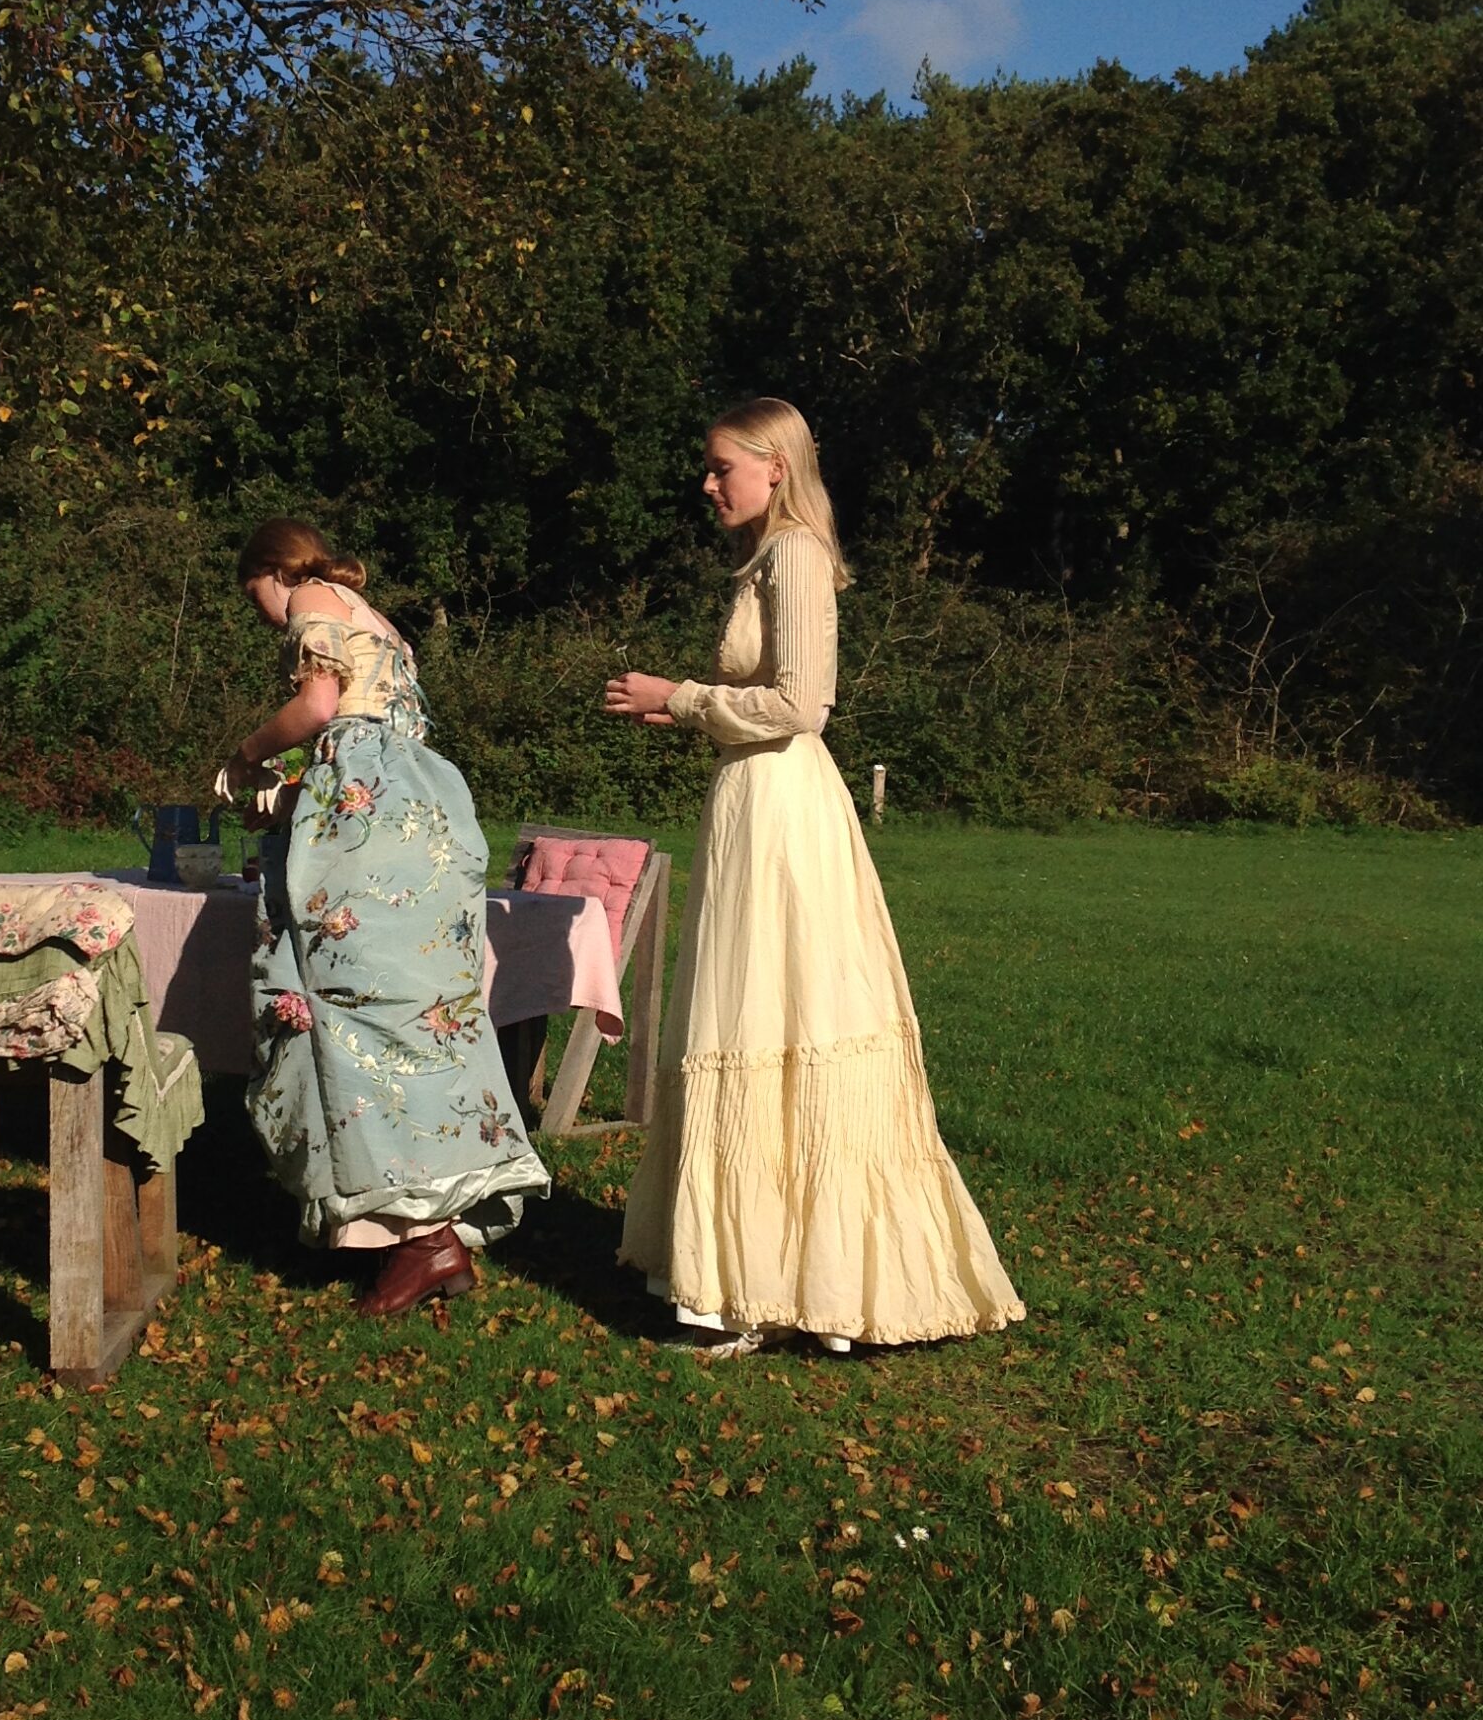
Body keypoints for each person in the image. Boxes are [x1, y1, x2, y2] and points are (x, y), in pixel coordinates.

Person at [604, 399, 1024, 1358]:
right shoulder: (766, 558)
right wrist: (694, 713)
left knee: (771, 1010)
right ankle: (750, 1275)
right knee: (756, 1009)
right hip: (753, 799)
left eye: (722, 468)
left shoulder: (792, 553)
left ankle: (784, 1282)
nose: (708, 484)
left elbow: (803, 706)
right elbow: (766, 699)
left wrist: (684, 694)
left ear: (776, 467)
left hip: (784, 811)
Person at [222, 517, 547, 1317]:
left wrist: (247, 754)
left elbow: (320, 707)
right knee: (408, 1011)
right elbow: (374, 741)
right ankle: (419, 1230)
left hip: (372, 824)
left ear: (272, 571)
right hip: (424, 813)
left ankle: (421, 1239)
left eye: (254, 594)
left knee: (350, 1014)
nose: (263, 613)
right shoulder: (380, 624)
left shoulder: (310, 597)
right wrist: (298, 801)